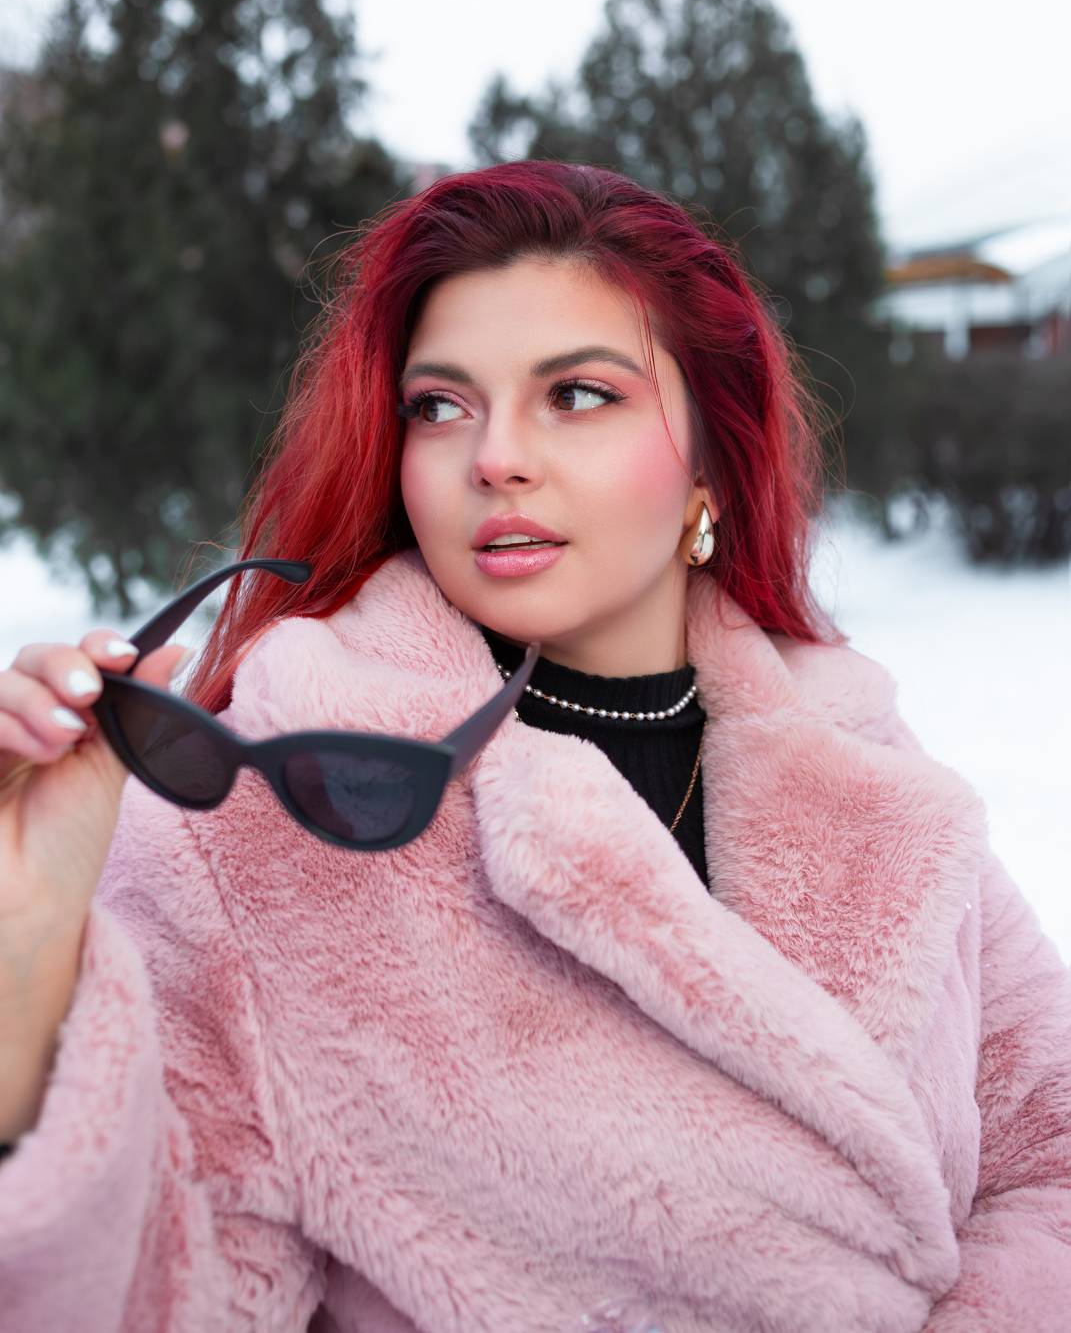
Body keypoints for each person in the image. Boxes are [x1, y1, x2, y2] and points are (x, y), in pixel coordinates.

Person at [0, 161, 1068, 1333]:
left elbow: (1051, 1159)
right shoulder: (269, 817)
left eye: (578, 394)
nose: (494, 455)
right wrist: (25, 958)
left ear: (712, 461)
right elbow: (151, 1296)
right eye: (439, 406)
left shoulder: (871, 763)